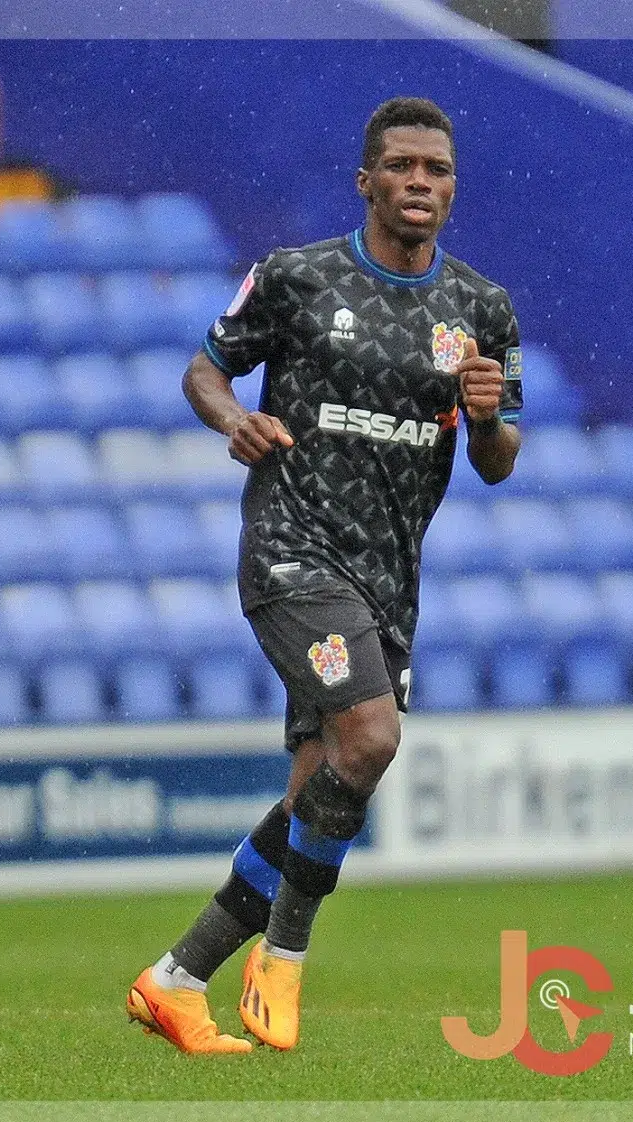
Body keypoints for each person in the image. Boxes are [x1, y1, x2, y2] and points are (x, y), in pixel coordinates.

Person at [127, 96, 524, 1054]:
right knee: (372, 734)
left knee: (320, 785)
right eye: (401, 167)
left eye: (436, 170)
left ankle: (174, 980)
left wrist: (482, 414)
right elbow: (205, 369)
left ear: (452, 187)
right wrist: (235, 421)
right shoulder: (301, 279)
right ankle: (285, 956)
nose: (419, 183)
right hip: (290, 552)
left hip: (389, 579)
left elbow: (500, 459)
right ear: (368, 181)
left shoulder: (481, 309)